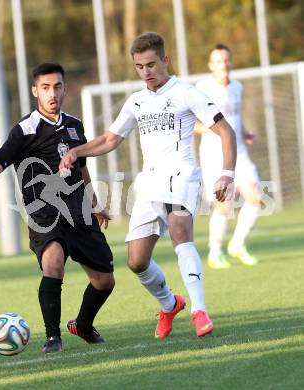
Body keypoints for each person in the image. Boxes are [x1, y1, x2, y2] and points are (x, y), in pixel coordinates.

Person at [59, 32, 237, 338]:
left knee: (181, 234)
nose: (146, 72)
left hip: (181, 176)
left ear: (165, 60)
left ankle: (199, 310)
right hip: (150, 182)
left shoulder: (186, 93)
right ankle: (170, 304)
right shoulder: (137, 101)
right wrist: (78, 151)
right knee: (136, 261)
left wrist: (227, 174)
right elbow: (111, 139)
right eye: (140, 66)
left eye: (151, 64)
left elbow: (226, 131)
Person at [0, 63, 115, 353]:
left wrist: (94, 203)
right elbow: (1, 158)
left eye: (57, 86)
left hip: (79, 212)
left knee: (105, 280)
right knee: (53, 264)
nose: (52, 93)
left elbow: (82, 168)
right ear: (35, 91)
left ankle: (82, 325)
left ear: (65, 88)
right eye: (45, 88)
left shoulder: (74, 125)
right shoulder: (26, 129)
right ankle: (52, 338)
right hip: (44, 215)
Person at [195, 44, 261, 269]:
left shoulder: (237, 87)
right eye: (218, 61)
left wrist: (244, 131)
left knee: (255, 198)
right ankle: (215, 252)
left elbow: (236, 116)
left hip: (239, 152)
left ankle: (237, 244)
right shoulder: (202, 88)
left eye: (226, 60)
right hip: (214, 155)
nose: (223, 64)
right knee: (225, 206)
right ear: (210, 65)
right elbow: (192, 123)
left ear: (230, 62)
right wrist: (214, 130)